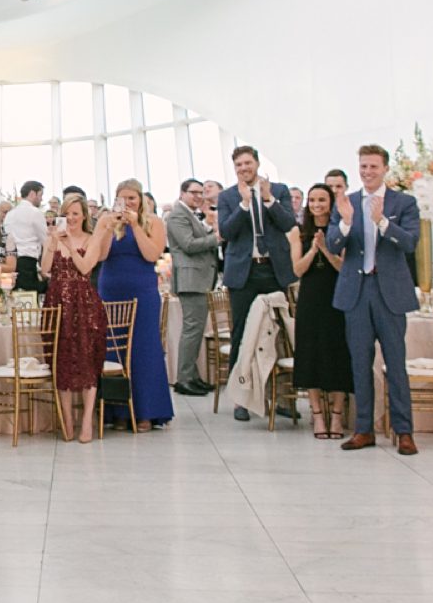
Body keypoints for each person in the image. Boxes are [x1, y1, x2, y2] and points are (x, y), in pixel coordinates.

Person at [328, 146, 421, 455]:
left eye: (373, 166)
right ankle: (363, 429)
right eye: (363, 166)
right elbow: (333, 242)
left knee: (396, 364)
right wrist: (344, 222)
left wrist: (382, 221)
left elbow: (409, 243)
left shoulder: (404, 202)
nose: (367, 171)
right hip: (356, 291)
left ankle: (404, 431)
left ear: (385, 169)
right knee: (359, 363)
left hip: (389, 292)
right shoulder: (347, 202)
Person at [216, 146, 298, 421]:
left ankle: (284, 395)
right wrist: (243, 205)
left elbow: (288, 224)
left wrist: (268, 200)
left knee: (281, 331)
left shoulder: (280, 190)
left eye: (247, 163)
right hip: (244, 271)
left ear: (257, 164)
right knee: (241, 333)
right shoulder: (228, 196)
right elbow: (226, 232)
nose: (243, 168)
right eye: (238, 165)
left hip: (273, 269)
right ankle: (241, 397)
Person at [97, 179, 174, 431]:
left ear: (140, 200)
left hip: (142, 290)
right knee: (113, 346)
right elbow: (102, 255)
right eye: (123, 198)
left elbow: (152, 254)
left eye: (132, 198)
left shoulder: (154, 222)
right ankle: (117, 410)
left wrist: (134, 225)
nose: (128, 203)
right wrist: (111, 226)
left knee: (144, 347)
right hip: (111, 288)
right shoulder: (108, 221)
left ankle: (147, 411)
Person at [41, 195, 113, 444]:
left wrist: (70, 246)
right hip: (57, 302)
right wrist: (52, 243)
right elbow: (45, 269)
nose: (70, 218)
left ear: (84, 215)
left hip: (84, 304)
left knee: (86, 360)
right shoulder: (55, 238)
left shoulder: (92, 239)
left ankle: (86, 422)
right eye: (67, 213)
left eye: (75, 214)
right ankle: (67, 419)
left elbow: (84, 268)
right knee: (61, 359)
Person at [289, 183, 352, 438]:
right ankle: (316, 415)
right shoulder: (298, 232)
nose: (317, 205)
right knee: (310, 353)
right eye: (312, 200)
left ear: (330, 203)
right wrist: (314, 248)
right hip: (310, 298)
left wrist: (326, 249)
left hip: (337, 297)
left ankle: (336, 415)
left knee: (338, 353)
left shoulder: (341, 231)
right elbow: (298, 270)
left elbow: (344, 268)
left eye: (322, 200)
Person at [166, 178, 219, 395]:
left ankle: (193, 375)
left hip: (199, 278)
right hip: (191, 279)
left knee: (196, 331)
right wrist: (216, 238)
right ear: (182, 193)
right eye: (193, 192)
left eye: (201, 193)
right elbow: (188, 244)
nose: (198, 196)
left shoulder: (190, 214)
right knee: (191, 331)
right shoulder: (178, 214)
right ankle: (184, 378)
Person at [3, 181, 47, 292]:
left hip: (9, 261)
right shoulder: (35, 213)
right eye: (40, 195)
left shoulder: (10, 214)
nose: (41, 199)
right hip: (28, 263)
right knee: (28, 301)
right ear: (32, 193)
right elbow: (46, 241)